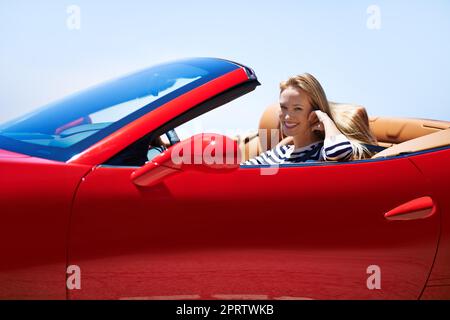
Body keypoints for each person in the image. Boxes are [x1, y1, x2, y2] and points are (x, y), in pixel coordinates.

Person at [242, 73, 377, 165]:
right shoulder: (279, 153)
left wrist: (325, 119)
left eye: (297, 108)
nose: (287, 116)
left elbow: (340, 153)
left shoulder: (322, 151)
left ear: (314, 113)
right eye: (283, 107)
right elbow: (242, 170)